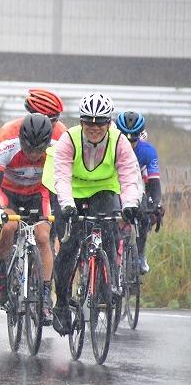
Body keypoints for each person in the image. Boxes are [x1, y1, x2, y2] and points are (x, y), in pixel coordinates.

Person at [50, 93, 141, 336]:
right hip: (73, 192)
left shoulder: (119, 141)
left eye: (99, 122)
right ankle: (61, 303)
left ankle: (104, 284)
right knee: (68, 246)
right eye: (88, 123)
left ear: (108, 123)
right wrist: (67, 205)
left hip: (104, 189)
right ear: (81, 122)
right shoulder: (68, 139)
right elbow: (60, 176)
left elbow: (130, 176)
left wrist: (130, 204)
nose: (94, 128)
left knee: (110, 230)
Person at [0, 114, 55, 322]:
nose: (33, 154)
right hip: (9, 194)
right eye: (28, 148)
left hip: (38, 194)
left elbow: (56, 187)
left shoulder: (55, 152)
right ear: (21, 140)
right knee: (9, 227)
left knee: (43, 236)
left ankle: (44, 296)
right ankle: (1, 270)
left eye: (38, 149)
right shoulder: (6, 149)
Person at [115, 110, 163, 273]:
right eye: (124, 139)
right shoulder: (110, 146)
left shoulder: (147, 151)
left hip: (137, 186)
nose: (129, 144)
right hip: (114, 185)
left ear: (139, 136)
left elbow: (154, 180)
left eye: (133, 140)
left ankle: (140, 254)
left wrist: (156, 203)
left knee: (144, 214)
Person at [0, 88, 67, 145]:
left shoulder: (61, 132)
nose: (56, 123)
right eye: (52, 120)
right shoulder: (9, 131)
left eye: (56, 119)